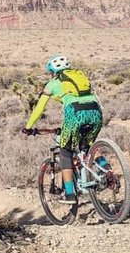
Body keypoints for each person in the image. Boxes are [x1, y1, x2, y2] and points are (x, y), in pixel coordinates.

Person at [21, 55, 105, 204]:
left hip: (75, 114)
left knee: (65, 151)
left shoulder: (53, 83)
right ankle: (107, 169)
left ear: (52, 72)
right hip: (96, 112)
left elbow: (39, 108)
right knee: (88, 145)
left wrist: (28, 127)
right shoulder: (80, 77)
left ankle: (70, 193)